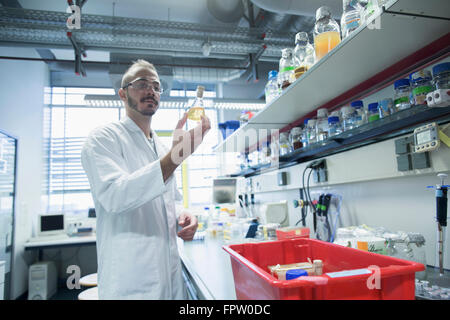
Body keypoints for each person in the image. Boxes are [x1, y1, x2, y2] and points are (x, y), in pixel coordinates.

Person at [81, 59, 211, 299]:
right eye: (141, 83)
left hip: (170, 278)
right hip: (131, 284)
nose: (150, 90)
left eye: (156, 85)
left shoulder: (161, 146)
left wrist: (184, 215)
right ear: (122, 94)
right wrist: (175, 157)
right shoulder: (103, 139)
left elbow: (170, 200)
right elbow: (115, 196)